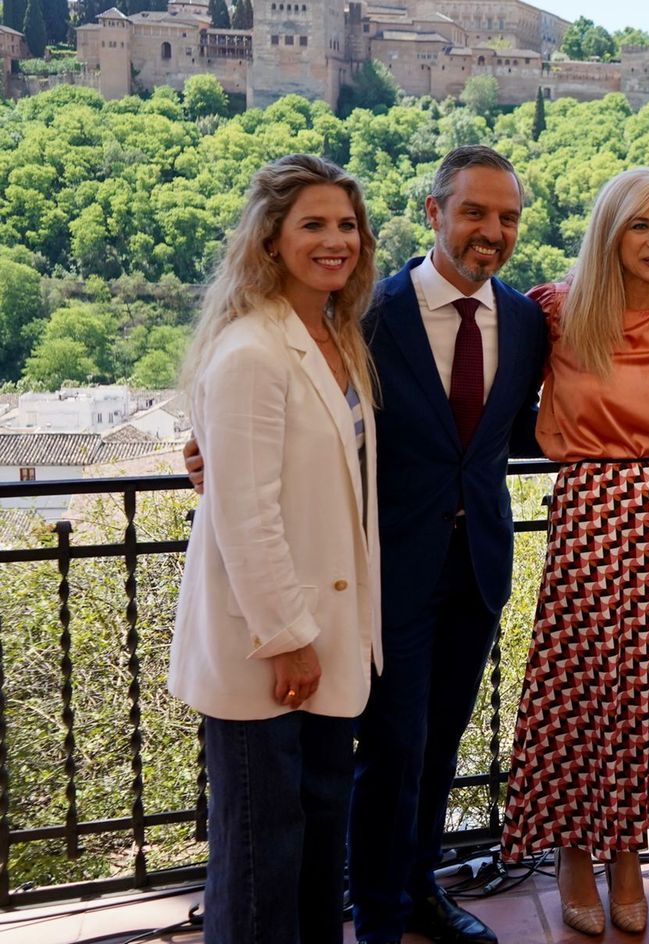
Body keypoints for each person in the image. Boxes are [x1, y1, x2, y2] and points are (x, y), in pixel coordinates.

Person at [185, 145, 548, 944]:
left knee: (435, 747)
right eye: (476, 212)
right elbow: (268, 437)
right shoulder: (365, 314)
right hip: (383, 576)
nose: (493, 230)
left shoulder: (522, 319)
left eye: (509, 217)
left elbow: (521, 431)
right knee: (388, 752)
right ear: (434, 213)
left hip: (476, 568)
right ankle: (379, 910)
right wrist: (207, 443)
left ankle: (415, 890)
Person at [168, 154, 381, 943]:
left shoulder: (335, 335)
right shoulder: (252, 352)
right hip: (270, 651)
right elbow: (243, 513)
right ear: (269, 241)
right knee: (262, 862)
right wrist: (289, 639)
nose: (336, 241)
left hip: (326, 644)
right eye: (314, 225)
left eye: (347, 225)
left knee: (319, 848)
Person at [498, 167, 649, 935]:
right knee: (584, 687)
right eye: (641, 226)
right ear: (610, 232)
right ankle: (573, 852)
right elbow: (496, 406)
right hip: (589, 510)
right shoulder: (555, 311)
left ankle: (628, 852)